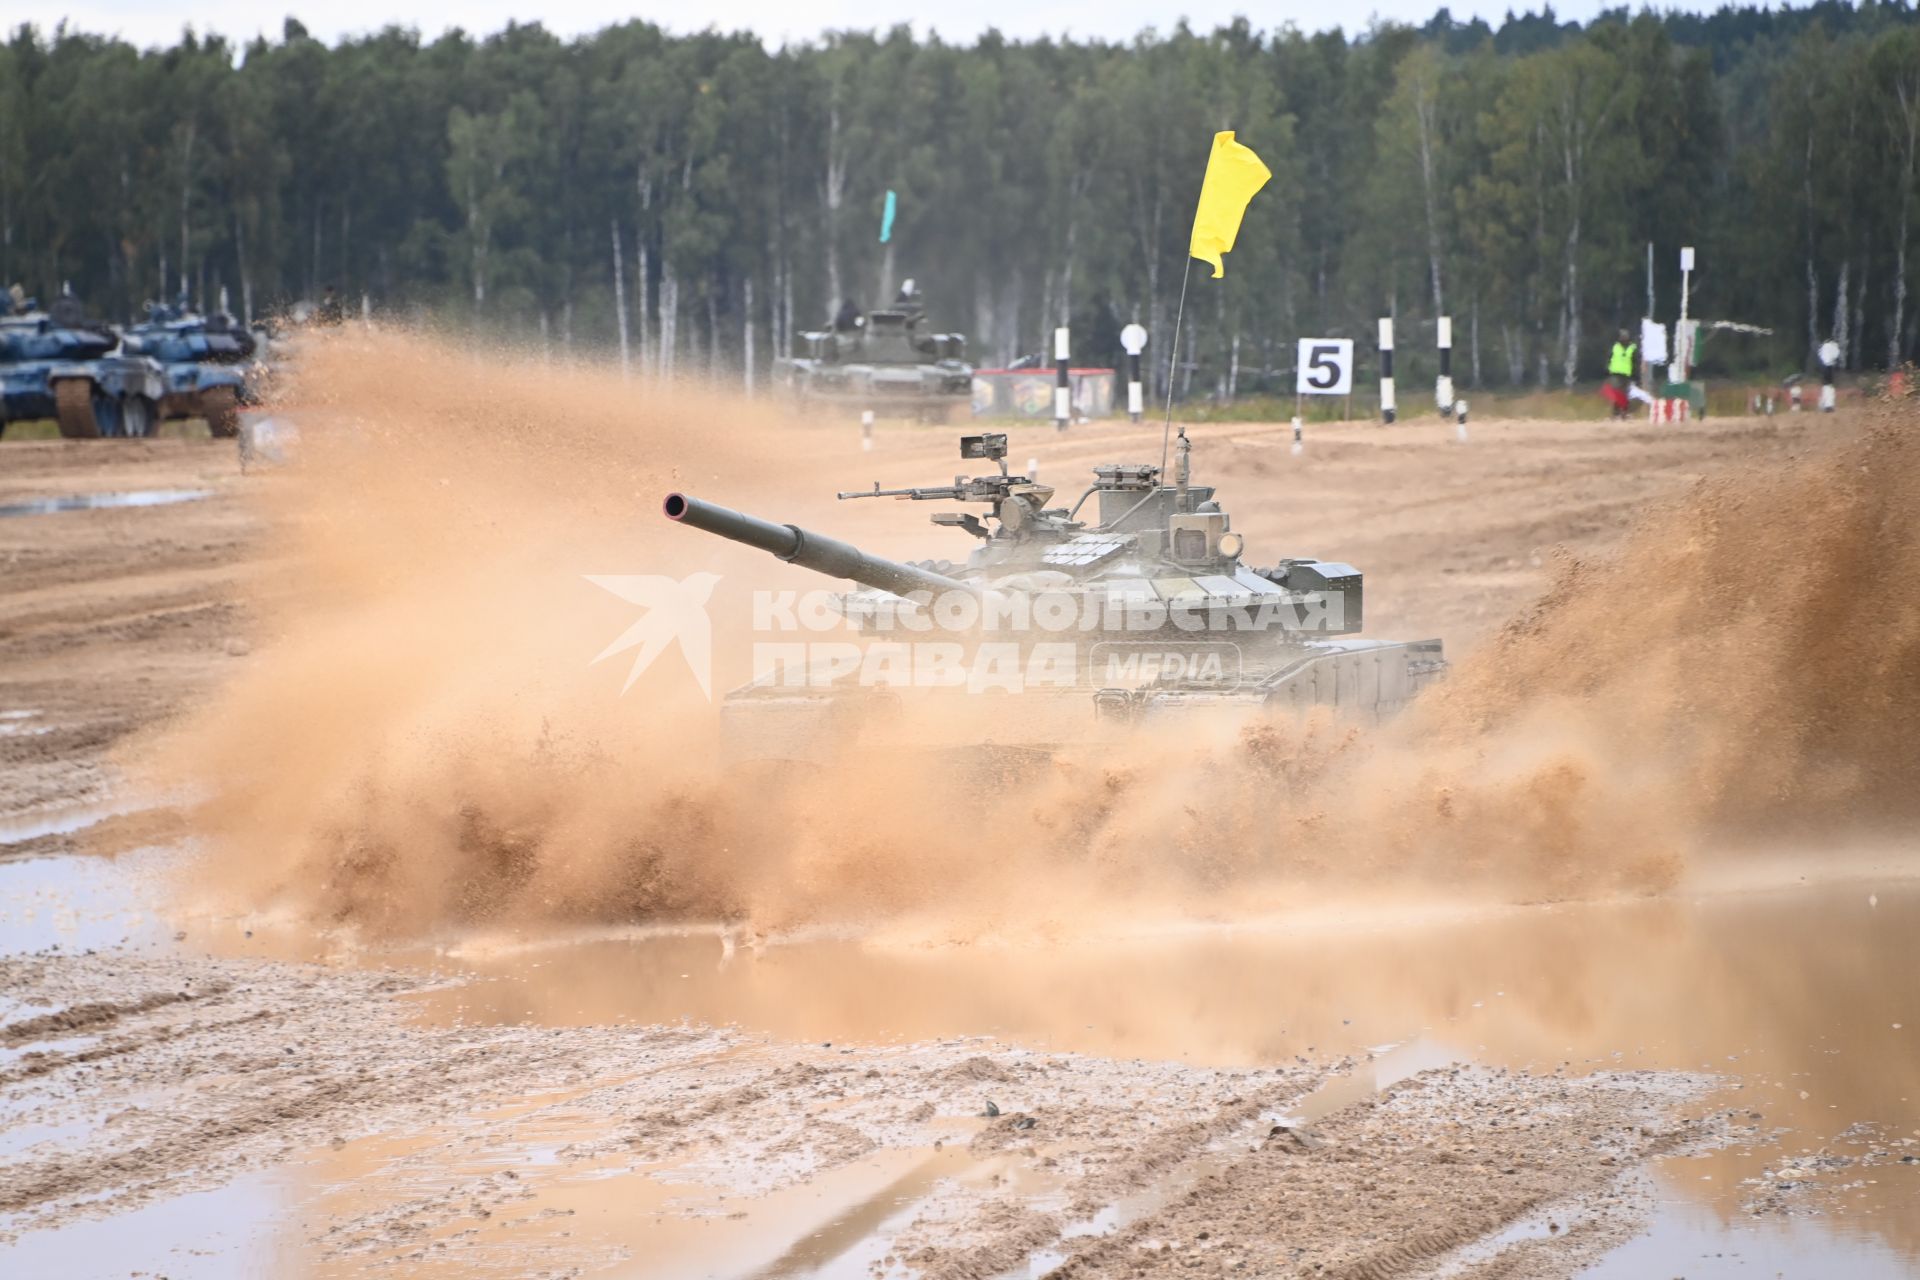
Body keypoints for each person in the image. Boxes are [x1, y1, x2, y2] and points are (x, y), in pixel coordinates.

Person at [1605, 327, 1637, 420]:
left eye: (1625, 336)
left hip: (1627, 374)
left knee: (1626, 394)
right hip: (1615, 373)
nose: (1623, 338)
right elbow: (1609, 358)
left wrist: (1635, 374)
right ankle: (1616, 413)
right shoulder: (1615, 346)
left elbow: (1635, 361)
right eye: (1622, 337)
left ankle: (1625, 413)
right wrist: (1607, 368)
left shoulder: (1632, 347)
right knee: (1617, 393)